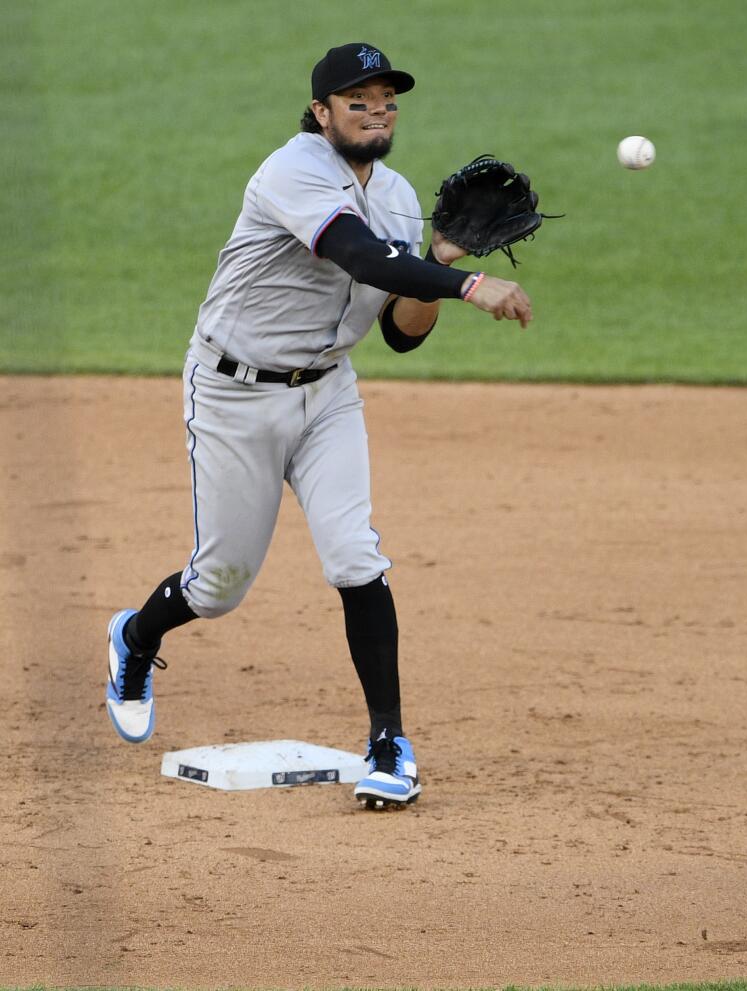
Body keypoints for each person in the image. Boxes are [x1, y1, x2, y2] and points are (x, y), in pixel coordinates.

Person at [104, 43, 534, 810]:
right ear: (321, 112)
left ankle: (389, 743)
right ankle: (137, 638)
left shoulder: (399, 196)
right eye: (358, 101)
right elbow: (359, 256)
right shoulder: (291, 173)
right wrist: (468, 281)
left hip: (327, 394)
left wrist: (436, 258)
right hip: (234, 393)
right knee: (219, 585)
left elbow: (402, 330)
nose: (376, 113)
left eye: (387, 102)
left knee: (354, 556)